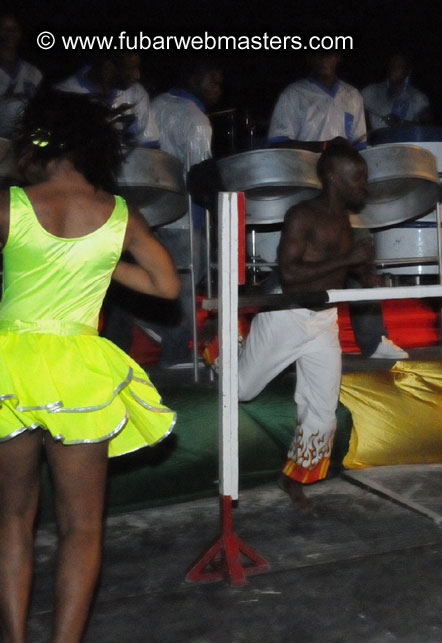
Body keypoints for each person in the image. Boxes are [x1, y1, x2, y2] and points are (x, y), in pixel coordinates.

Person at [0, 90, 179, 643]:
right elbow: (165, 285)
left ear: (40, 141)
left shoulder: (10, 204)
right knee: (81, 530)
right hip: (78, 373)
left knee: (11, 520)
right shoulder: (117, 214)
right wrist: (98, 261)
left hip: (11, 367)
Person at [238, 142, 379, 513]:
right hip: (288, 315)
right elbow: (290, 274)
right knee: (241, 390)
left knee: (322, 410)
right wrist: (351, 257)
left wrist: (368, 274)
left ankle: (294, 477)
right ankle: (221, 349)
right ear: (334, 177)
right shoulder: (302, 215)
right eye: (359, 177)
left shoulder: (346, 219)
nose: (365, 185)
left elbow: (342, 268)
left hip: (324, 323)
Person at [268, 52, 407, 360]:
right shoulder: (294, 95)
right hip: (308, 191)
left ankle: (373, 339)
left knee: (360, 260)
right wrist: (324, 148)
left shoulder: (351, 95)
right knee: (295, 265)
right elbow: (277, 142)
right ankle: (268, 328)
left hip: (343, 195)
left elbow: (360, 148)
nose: (325, 57)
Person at [103, 59, 223, 368]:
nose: (217, 86)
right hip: (185, 219)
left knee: (137, 284)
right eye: (212, 78)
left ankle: (112, 353)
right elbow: (200, 179)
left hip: (152, 212)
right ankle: (176, 362)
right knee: (181, 293)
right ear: (194, 75)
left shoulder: (157, 103)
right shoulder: (197, 122)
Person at [55, 52, 160, 148]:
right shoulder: (64, 94)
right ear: (108, 68)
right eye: (131, 69)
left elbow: (149, 144)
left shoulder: (136, 93)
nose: (137, 75)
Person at [361, 53, 431, 131]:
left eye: (399, 66)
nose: (394, 69)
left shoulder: (418, 98)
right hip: (376, 142)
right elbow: (358, 119)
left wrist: (401, 122)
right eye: (392, 65)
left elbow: (428, 128)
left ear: (408, 71)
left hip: (405, 141)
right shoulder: (370, 92)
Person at [0, 13, 43, 138]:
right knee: (15, 106)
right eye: (4, 28)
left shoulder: (33, 72)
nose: (10, 33)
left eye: (14, 29)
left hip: (23, 138)